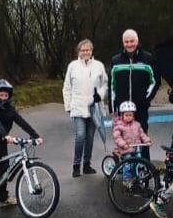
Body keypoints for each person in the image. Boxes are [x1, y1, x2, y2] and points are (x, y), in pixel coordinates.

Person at [0, 79, 43, 212]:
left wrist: (36, 136)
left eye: (6, 95)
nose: (3, 98)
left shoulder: (9, 109)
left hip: (1, 142)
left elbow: (22, 122)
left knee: (3, 170)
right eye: (1, 95)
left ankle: (3, 198)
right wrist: (5, 135)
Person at [108, 28, 159, 157]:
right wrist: (112, 107)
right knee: (122, 137)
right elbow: (112, 85)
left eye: (132, 41)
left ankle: (145, 163)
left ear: (137, 41)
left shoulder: (147, 58)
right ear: (123, 43)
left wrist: (146, 99)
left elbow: (155, 81)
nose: (129, 44)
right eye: (126, 42)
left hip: (140, 107)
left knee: (142, 135)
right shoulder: (116, 60)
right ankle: (124, 163)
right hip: (122, 108)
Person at [62, 39, 108, 177]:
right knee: (80, 135)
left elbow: (104, 84)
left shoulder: (98, 66)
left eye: (87, 50)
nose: (85, 52)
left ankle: (87, 164)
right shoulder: (73, 66)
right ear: (79, 52)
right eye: (82, 50)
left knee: (90, 137)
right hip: (78, 107)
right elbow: (67, 87)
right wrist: (68, 105)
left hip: (94, 107)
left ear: (91, 51)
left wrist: (100, 95)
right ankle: (76, 166)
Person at [112, 100, 152, 177]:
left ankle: (136, 176)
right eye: (126, 115)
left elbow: (142, 134)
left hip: (136, 148)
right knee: (128, 163)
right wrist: (123, 144)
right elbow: (117, 137)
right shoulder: (119, 125)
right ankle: (126, 179)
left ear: (133, 115)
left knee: (139, 161)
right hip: (125, 149)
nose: (128, 117)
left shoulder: (137, 124)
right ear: (122, 115)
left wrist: (147, 141)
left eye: (130, 115)